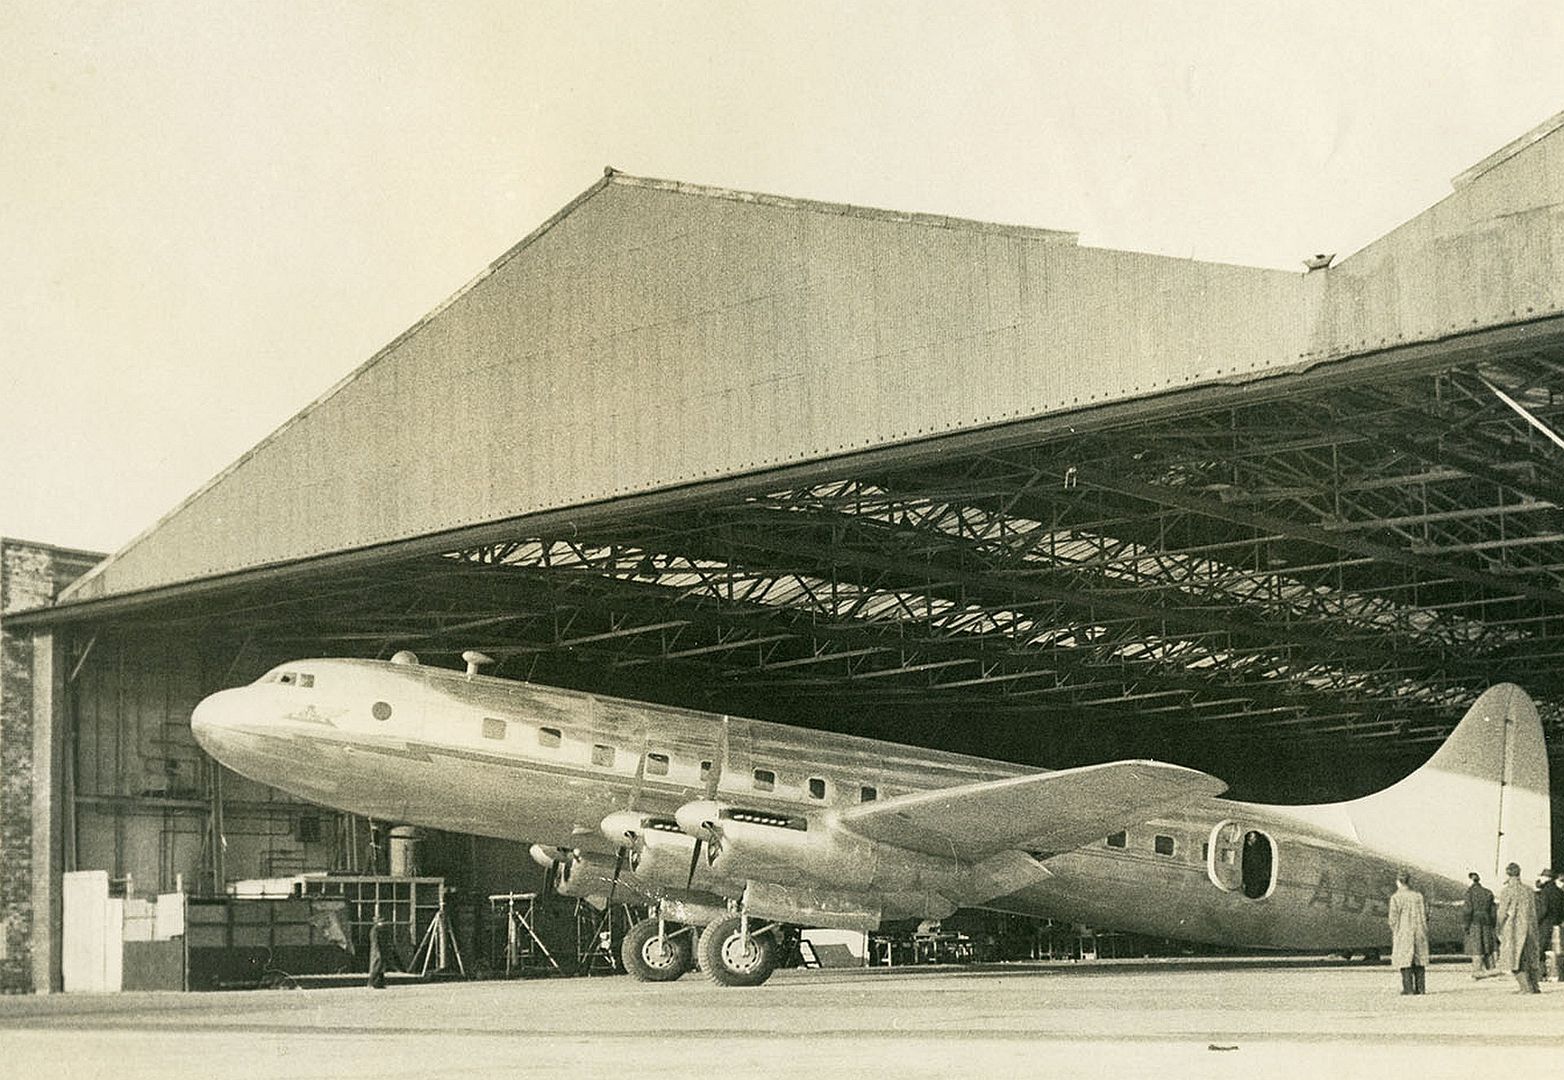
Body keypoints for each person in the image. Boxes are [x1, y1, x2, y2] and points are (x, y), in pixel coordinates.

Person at [1497, 862, 1543, 993]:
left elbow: (1502, 913)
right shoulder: (1528, 890)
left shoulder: (1507, 891)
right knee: (1530, 957)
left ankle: (1525, 988)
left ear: (1507, 874)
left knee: (1514, 958)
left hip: (1514, 929)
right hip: (1531, 928)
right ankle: (1535, 987)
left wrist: (1498, 927)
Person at [1388, 869, 1429, 995]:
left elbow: (1393, 918)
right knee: (1419, 959)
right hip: (1419, 930)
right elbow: (1425, 914)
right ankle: (1421, 988)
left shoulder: (1396, 897)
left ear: (1398, 882)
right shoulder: (1418, 896)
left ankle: (1408, 989)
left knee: (1405, 960)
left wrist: (1395, 929)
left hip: (1404, 930)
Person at [1462, 872, 1499, 978]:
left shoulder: (1469, 893)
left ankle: (1477, 971)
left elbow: (1468, 910)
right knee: (1487, 946)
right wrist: (1493, 923)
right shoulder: (1488, 892)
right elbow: (1493, 911)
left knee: (1476, 946)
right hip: (1487, 921)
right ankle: (1491, 969)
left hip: (1474, 921)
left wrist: (1466, 924)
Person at [1534, 870, 1564, 980]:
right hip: (1557, 924)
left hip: (1545, 923)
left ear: (1546, 878)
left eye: (1542, 877)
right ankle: (1559, 975)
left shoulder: (1545, 892)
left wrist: (1536, 921)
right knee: (1557, 951)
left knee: (1540, 949)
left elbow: (1543, 909)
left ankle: (1541, 975)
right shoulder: (1559, 892)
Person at [367, 916, 389, 989]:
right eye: (381, 922)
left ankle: (379, 983)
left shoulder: (380, 930)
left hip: (380, 950)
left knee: (381, 967)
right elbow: (375, 942)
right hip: (377, 950)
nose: (382, 923)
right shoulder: (375, 930)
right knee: (377, 966)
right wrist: (377, 952)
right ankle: (371, 982)